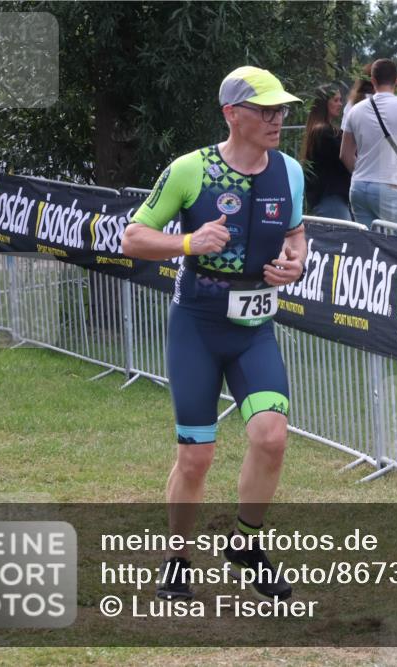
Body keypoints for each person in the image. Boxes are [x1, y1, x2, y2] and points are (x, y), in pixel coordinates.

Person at [122, 65, 307, 603]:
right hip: (197, 327)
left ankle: (246, 546)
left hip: (255, 328)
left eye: (281, 110)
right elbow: (133, 236)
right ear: (233, 114)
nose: (278, 119)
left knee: (271, 437)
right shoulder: (190, 169)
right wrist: (188, 244)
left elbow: (297, 233)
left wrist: (296, 262)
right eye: (266, 110)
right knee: (196, 457)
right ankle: (177, 557)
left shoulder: (290, 172)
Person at [340, 58, 397, 229]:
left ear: (373, 81)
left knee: (369, 248)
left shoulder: (354, 110)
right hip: (390, 185)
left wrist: (361, 175)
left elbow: (345, 154)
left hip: (359, 187)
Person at [300, 85, 352, 220]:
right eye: (335, 100)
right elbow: (344, 156)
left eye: (340, 100)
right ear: (323, 103)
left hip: (332, 197)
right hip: (330, 197)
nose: (340, 104)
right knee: (342, 236)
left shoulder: (323, 130)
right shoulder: (323, 132)